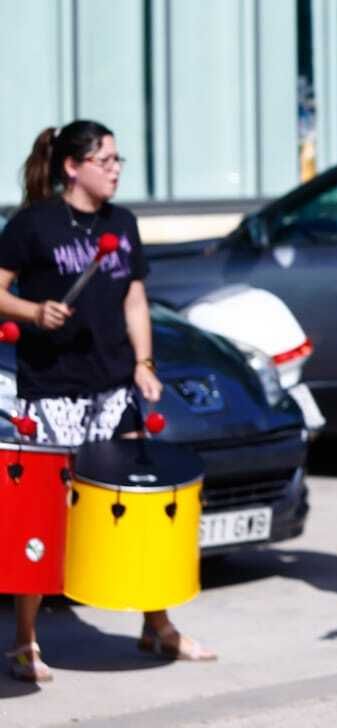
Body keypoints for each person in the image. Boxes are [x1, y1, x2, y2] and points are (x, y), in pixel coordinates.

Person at [0, 121, 216, 682]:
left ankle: (156, 624)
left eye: (120, 160)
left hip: (113, 388)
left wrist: (144, 364)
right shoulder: (34, 224)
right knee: (44, 518)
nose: (117, 170)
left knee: (137, 506)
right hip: (52, 391)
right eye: (107, 160)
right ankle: (25, 640)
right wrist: (32, 312)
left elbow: (136, 299)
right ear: (73, 167)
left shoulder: (122, 223)